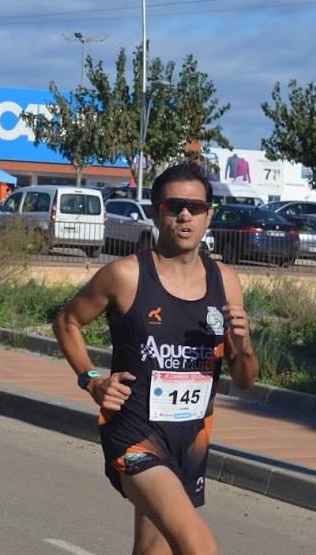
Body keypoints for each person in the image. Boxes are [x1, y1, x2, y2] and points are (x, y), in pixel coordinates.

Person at [54, 163, 257, 555]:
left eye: (195, 207)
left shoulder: (226, 281)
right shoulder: (126, 276)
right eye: (173, 205)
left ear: (209, 215)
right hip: (134, 434)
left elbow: (245, 378)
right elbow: (66, 322)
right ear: (155, 211)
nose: (184, 215)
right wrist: (92, 378)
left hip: (190, 439)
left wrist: (244, 348)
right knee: (198, 547)